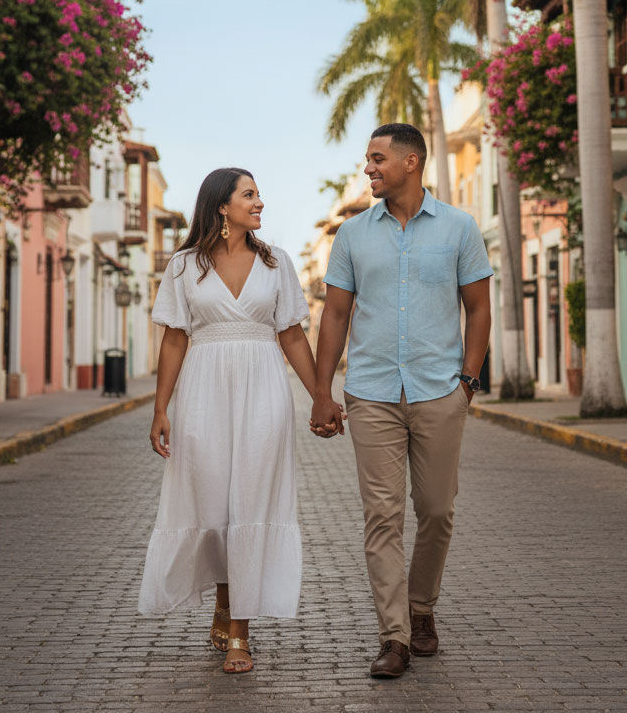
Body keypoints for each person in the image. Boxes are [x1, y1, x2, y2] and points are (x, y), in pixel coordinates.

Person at [311, 123, 493, 678]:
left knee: (437, 511)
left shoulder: (460, 229)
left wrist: (467, 382)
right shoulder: (352, 236)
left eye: (377, 158)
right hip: (371, 394)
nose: (369, 168)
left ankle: (422, 609)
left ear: (411, 162)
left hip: (441, 390)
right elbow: (335, 315)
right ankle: (395, 638)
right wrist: (323, 392)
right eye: (368, 159)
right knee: (382, 517)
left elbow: (479, 309)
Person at [138, 167, 336, 674]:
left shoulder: (277, 263)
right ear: (222, 206)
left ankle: (239, 635)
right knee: (214, 504)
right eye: (249, 194)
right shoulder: (184, 266)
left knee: (250, 500)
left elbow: (291, 335)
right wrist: (161, 408)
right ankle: (224, 603)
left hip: (263, 391)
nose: (260, 202)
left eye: (259, 194)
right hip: (203, 392)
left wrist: (320, 395)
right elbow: (175, 339)